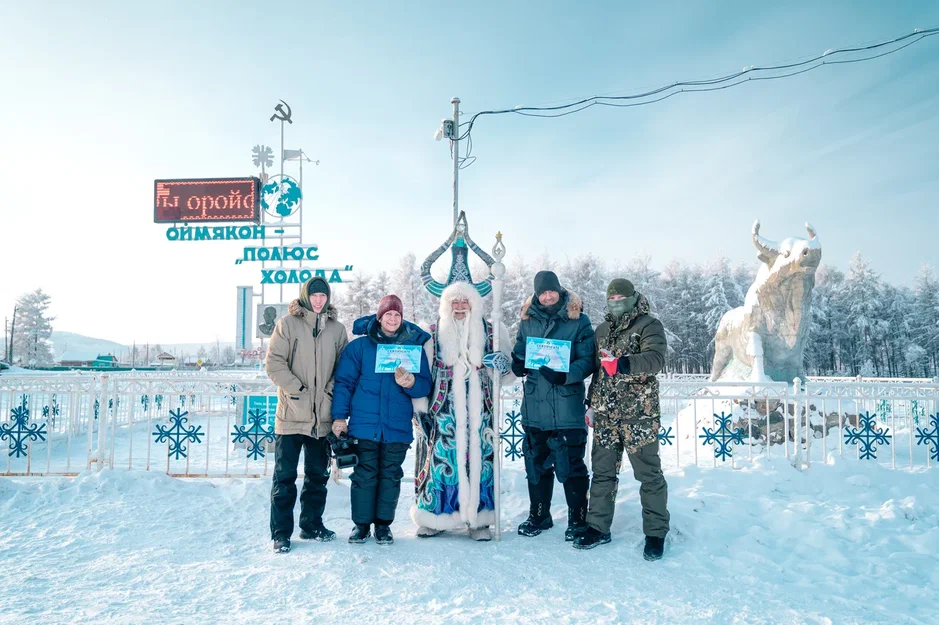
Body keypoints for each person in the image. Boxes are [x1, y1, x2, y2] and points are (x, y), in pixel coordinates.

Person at [573, 278, 670, 561]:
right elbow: (599, 372)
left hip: (639, 416)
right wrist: (591, 405)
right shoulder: (602, 330)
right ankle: (598, 527)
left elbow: (655, 359)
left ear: (632, 298)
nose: (616, 303)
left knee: (649, 475)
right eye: (611, 299)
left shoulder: (648, 325)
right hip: (605, 414)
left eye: (621, 299)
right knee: (602, 474)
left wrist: (623, 364)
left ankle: (655, 533)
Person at [411, 281, 514, 541]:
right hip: (443, 410)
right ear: (446, 305)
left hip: (481, 410)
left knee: (480, 460)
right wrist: (421, 409)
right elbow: (423, 373)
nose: (459, 307)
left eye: (464, 302)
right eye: (454, 302)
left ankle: (479, 521)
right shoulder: (432, 334)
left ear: (473, 304)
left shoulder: (491, 331)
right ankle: (435, 517)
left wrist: (502, 366)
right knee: (441, 460)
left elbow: (507, 373)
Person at [331, 294, 432, 545]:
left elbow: (424, 386)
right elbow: (344, 383)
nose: (393, 319)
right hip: (365, 425)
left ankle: (384, 526)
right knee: (364, 475)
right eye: (388, 314)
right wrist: (339, 417)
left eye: (397, 314)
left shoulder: (412, 350)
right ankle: (361, 526)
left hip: (396, 426)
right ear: (380, 317)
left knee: (390, 475)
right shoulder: (360, 347)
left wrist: (411, 383)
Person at [510, 270, 596, 540]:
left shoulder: (578, 320)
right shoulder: (527, 321)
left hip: (566, 406)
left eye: (551, 291)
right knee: (535, 463)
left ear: (559, 291)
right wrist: (518, 363)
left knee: (571, 464)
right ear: (536, 294)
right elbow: (520, 349)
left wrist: (566, 374)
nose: (547, 296)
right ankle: (539, 515)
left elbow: (588, 360)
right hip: (535, 406)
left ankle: (577, 518)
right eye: (542, 292)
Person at [265, 277, 348, 554]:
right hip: (291, 414)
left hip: (321, 418)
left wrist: (328, 393)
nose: (318, 300)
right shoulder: (287, 324)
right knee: (285, 477)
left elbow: (343, 369)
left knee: (317, 476)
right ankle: (281, 534)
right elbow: (274, 363)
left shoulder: (337, 329)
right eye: (314, 295)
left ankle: (311, 524)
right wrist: (297, 389)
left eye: (323, 295)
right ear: (305, 296)